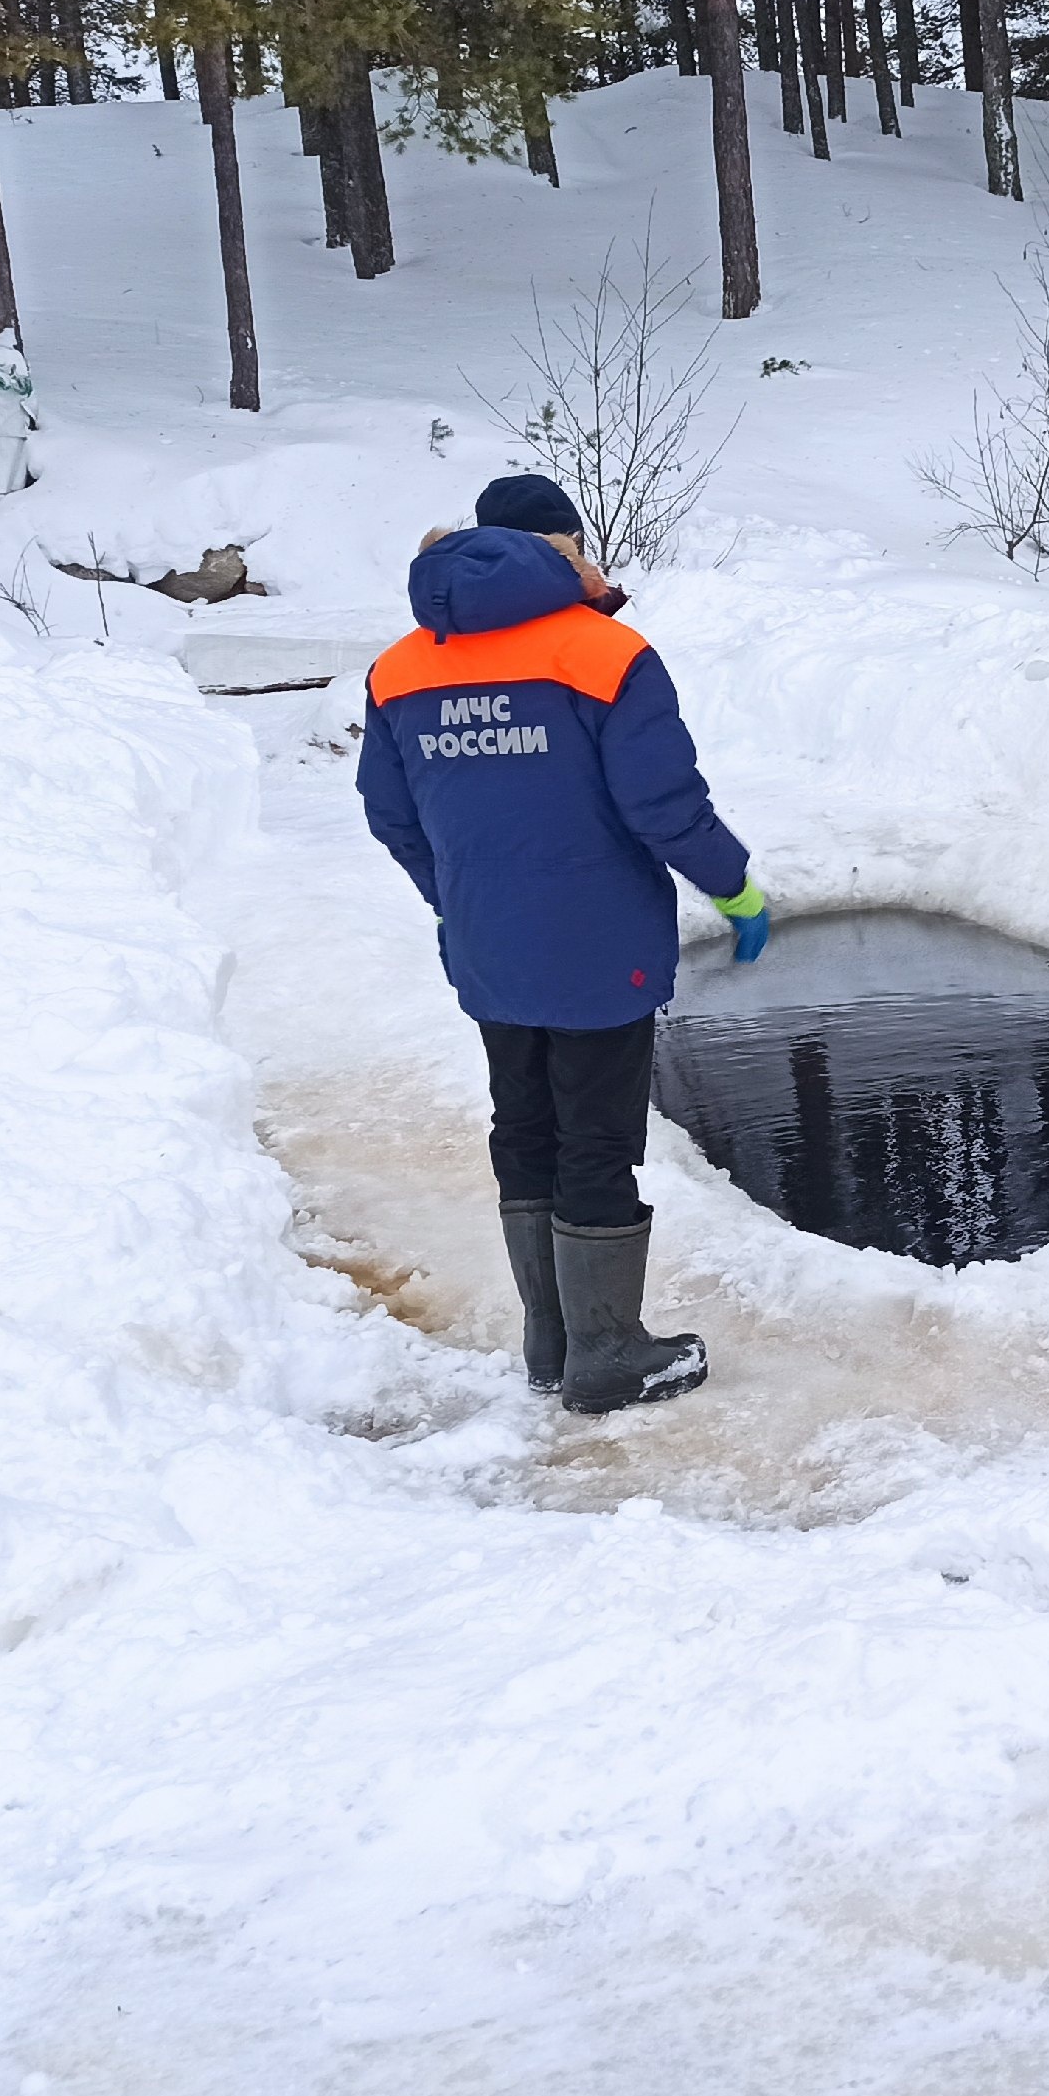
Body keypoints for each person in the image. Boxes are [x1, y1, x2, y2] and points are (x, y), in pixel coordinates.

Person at [357, 473, 770, 1413]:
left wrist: (454, 899)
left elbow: (393, 816)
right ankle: (608, 1354)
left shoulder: (404, 666)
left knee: (524, 1121)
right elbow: (661, 805)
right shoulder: (608, 653)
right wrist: (735, 888)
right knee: (597, 1132)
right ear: (566, 547)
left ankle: (552, 1341)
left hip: (488, 946)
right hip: (600, 946)